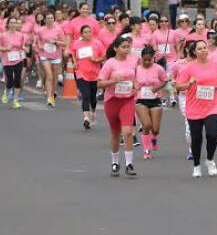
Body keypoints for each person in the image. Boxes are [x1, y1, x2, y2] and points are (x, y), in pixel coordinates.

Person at [175, 40, 217, 178]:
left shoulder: (215, 65)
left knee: (212, 135)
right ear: (194, 52)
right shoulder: (189, 68)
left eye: (205, 48)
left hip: (212, 105)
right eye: (200, 49)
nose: (203, 50)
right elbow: (178, 86)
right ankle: (196, 165)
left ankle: (210, 160)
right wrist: (188, 84)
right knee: (196, 139)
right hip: (194, 107)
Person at [97, 34, 139, 176]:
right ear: (116, 48)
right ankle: (115, 162)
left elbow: (135, 77)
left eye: (128, 47)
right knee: (115, 133)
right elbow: (100, 83)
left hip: (127, 100)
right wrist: (113, 81)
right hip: (112, 100)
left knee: (127, 132)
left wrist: (135, 86)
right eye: (123, 47)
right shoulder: (110, 64)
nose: (126, 50)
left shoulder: (133, 61)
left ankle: (129, 164)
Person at [135, 46, 168, 160]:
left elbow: (165, 80)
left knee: (155, 129)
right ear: (142, 58)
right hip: (141, 100)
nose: (147, 62)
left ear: (154, 58)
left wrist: (157, 87)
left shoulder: (158, 68)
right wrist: (135, 87)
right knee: (146, 125)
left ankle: (153, 137)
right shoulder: (137, 69)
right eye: (145, 59)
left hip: (155, 100)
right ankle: (146, 149)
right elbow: (132, 80)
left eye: (150, 59)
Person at [71, 25, 106, 128]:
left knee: (92, 96)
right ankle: (86, 118)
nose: (88, 34)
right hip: (81, 73)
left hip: (94, 74)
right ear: (81, 34)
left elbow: (104, 56)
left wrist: (97, 60)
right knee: (85, 95)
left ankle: (93, 112)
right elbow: (73, 52)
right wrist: (74, 62)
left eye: (89, 31)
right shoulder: (77, 43)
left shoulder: (97, 44)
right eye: (85, 32)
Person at [34, 11, 66, 107]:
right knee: (49, 76)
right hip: (44, 55)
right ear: (45, 20)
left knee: (55, 77)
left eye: (52, 18)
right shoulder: (40, 30)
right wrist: (40, 47)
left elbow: (64, 43)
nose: (50, 20)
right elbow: (36, 43)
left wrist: (55, 42)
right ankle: (49, 98)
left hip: (56, 56)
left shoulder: (58, 30)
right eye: (48, 18)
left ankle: (52, 95)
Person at [0, 16, 29, 108]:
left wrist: (24, 49)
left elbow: (22, 46)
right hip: (7, 60)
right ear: (8, 24)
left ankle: (15, 101)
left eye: (14, 22)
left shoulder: (20, 35)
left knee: (17, 80)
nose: (13, 24)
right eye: (11, 22)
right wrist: (5, 48)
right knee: (9, 81)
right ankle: (7, 91)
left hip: (18, 59)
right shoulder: (2, 35)